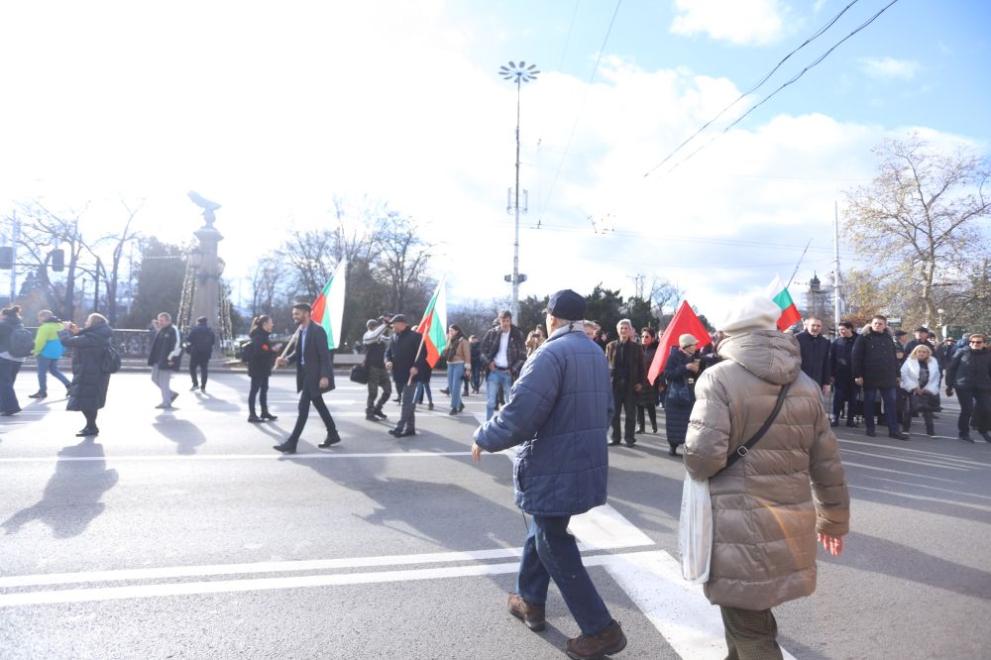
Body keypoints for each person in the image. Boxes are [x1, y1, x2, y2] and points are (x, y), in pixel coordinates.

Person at [684, 294, 849, 660]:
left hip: (737, 520)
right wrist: (834, 521)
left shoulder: (718, 378)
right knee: (749, 613)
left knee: (749, 623)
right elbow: (828, 462)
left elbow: (702, 459)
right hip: (789, 518)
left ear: (728, 332)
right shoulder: (804, 382)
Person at [472, 289, 626, 660]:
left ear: (552, 318)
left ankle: (600, 628)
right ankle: (529, 600)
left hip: (552, 462)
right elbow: (606, 410)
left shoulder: (549, 353)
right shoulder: (592, 351)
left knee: (551, 539)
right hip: (582, 459)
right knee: (542, 528)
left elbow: (521, 414)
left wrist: (483, 436)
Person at [272, 303, 339, 454]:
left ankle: (292, 442)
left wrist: (324, 376)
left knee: (303, 408)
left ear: (307, 314)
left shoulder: (318, 331)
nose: (294, 316)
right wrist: (286, 360)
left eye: (297, 314)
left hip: (314, 375)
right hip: (305, 374)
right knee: (319, 405)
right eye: (294, 314)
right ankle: (333, 434)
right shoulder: (301, 331)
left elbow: (324, 356)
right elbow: (298, 354)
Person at [852, 315, 907, 440]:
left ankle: (894, 431)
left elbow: (894, 358)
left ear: (885, 325)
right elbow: (856, 358)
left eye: (880, 323)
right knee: (869, 403)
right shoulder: (863, 338)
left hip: (888, 376)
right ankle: (870, 428)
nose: (877, 325)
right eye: (875, 323)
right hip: (869, 376)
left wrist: (897, 374)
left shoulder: (888, 338)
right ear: (871, 324)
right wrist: (858, 375)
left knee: (891, 404)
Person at [59, 313, 114, 437]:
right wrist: (77, 332)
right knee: (89, 400)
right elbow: (85, 339)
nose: (85, 323)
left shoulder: (94, 337)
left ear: (93, 323)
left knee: (88, 401)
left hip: (90, 372)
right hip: (93, 372)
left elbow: (67, 341)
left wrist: (64, 330)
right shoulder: (99, 335)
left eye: (88, 321)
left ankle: (92, 426)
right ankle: (91, 426)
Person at [605, 319, 646, 446]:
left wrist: (641, 382)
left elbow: (642, 367)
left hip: (631, 385)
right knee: (614, 414)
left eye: (626, 328)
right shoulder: (610, 346)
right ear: (618, 330)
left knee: (630, 414)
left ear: (630, 331)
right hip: (614, 385)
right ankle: (615, 437)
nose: (623, 330)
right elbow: (605, 365)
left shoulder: (637, 348)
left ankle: (629, 439)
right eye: (621, 328)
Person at [479, 310, 526, 421]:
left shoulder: (517, 334)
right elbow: (481, 351)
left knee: (510, 403)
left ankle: (508, 426)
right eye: (503, 321)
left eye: (507, 321)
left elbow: (523, 356)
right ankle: (487, 425)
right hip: (494, 371)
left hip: (508, 373)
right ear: (499, 321)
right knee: (491, 402)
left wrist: (513, 369)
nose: (505, 323)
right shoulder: (492, 333)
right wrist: (489, 362)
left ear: (510, 321)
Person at [386, 315, 427, 438]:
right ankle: (410, 428)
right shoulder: (393, 337)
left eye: (395, 324)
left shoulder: (415, 337)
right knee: (409, 403)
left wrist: (416, 366)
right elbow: (388, 352)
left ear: (403, 324)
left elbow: (422, 354)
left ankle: (399, 428)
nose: (392, 326)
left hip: (411, 374)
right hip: (398, 374)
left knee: (406, 402)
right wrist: (388, 361)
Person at [946, 333, 991, 443]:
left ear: (984, 343)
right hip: (963, 385)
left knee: (986, 408)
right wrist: (949, 385)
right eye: (972, 342)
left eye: (978, 342)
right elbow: (951, 368)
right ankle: (964, 433)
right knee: (967, 409)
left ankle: (983, 429)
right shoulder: (962, 352)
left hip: (982, 386)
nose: (975, 344)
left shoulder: (988, 354)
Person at [663, 334, 699, 457]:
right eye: (694, 344)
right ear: (686, 346)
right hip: (675, 396)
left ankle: (687, 446)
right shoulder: (673, 356)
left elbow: (697, 377)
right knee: (674, 422)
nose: (696, 346)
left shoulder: (696, 357)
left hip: (690, 395)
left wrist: (696, 371)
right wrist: (685, 367)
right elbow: (667, 374)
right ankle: (672, 446)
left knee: (689, 423)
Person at [29, 309, 72, 399]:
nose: (38, 319)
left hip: (45, 353)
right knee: (54, 371)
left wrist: (35, 351)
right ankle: (69, 386)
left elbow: (40, 342)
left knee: (41, 373)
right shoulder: (60, 326)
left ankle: (42, 391)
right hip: (56, 352)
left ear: (44, 317)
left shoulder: (44, 327)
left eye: (39, 317)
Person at [900, 344, 940, 437]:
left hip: (927, 390)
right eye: (919, 352)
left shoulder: (933, 362)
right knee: (908, 410)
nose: (921, 354)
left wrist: (929, 389)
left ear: (928, 353)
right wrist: (914, 387)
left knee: (928, 411)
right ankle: (905, 429)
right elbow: (904, 375)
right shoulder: (909, 361)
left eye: (924, 352)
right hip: (912, 390)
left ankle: (931, 432)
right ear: (915, 352)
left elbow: (936, 377)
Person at [246, 315, 279, 423]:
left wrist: (271, 350)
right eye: (271, 322)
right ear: (264, 324)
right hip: (257, 368)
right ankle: (252, 414)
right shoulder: (259, 336)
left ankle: (264, 412)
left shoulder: (263, 335)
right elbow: (259, 353)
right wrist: (272, 350)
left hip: (263, 368)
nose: (272, 324)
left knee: (264, 390)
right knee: (254, 391)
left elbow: (264, 351)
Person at [147, 312, 183, 410]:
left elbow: (177, 346)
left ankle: (166, 403)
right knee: (154, 378)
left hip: (167, 360)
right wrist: (156, 326)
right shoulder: (162, 330)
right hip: (157, 360)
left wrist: (171, 359)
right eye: (159, 320)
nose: (160, 322)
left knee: (164, 382)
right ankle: (170, 394)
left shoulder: (173, 330)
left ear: (168, 320)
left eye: (162, 320)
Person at [829, 321, 859, 427]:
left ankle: (850, 420)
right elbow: (831, 359)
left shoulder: (859, 340)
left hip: (855, 375)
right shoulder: (837, 342)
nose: (841, 332)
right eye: (839, 330)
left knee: (853, 399)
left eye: (843, 329)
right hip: (840, 375)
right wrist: (831, 374)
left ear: (850, 328)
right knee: (838, 398)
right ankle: (835, 418)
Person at [362, 318, 392, 422]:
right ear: (370, 327)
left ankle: (377, 409)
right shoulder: (367, 335)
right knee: (373, 393)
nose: (374, 327)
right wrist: (385, 325)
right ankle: (369, 413)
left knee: (388, 390)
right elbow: (374, 335)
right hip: (372, 368)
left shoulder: (380, 337)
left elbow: (390, 340)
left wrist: (390, 327)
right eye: (373, 326)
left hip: (381, 367)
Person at [0, 305, 27, 416]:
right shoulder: (19, 324)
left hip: (5, 356)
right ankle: (3, 406)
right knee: (8, 383)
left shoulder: (2, 325)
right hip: (19, 358)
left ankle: (12, 407)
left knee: (4, 383)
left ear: (4, 315)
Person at [795, 316, 831, 399]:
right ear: (807, 326)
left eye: (818, 326)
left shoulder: (825, 342)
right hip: (799, 381)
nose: (816, 328)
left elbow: (826, 363)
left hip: (817, 382)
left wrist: (827, 383)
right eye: (813, 325)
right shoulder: (797, 339)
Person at [444, 324, 471, 416]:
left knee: (456, 387)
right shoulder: (449, 339)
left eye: (452, 330)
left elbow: (467, 355)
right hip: (450, 364)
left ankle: (454, 407)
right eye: (449, 330)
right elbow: (445, 351)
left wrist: (467, 369)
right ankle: (460, 404)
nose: (450, 332)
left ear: (457, 331)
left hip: (459, 364)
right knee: (451, 387)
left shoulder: (463, 341)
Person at [637, 327, 659, 435]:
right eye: (642, 336)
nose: (644, 338)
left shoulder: (656, 351)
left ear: (652, 338)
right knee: (639, 405)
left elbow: (659, 368)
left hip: (650, 382)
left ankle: (654, 424)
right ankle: (641, 426)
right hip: (639, 381)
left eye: (647, 337)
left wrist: (660, 383)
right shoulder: (637, 349)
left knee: (650, 405)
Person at [186, 316, 216, 392]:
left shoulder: (194, 330)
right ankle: (203, 386)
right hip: (206, 353)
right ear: (206, 322)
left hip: (195, 352)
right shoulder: (210, 331)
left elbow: (189, 340)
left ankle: (195, 384)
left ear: (198, 322)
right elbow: (213, 342)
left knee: (192, 368)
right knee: (204, 369)